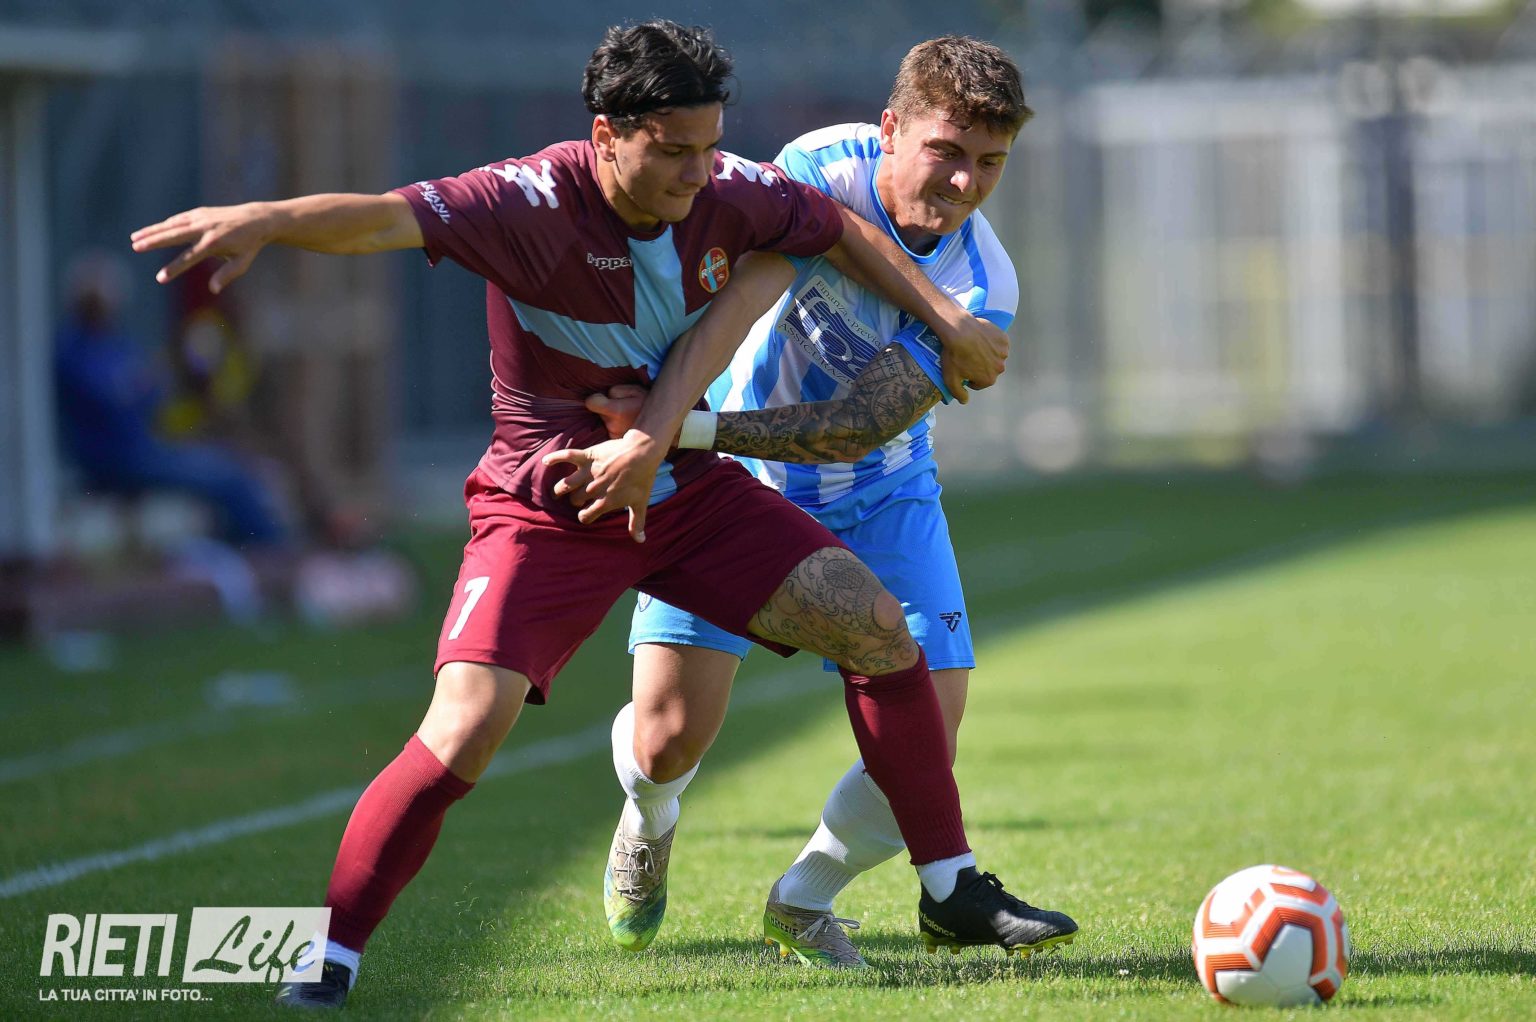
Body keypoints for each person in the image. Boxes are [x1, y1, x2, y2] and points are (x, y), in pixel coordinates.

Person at [131, 21, 1043, 1010]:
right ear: (607, 136)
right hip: (551, 502)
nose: (702, 173)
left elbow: (825, 233)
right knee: (473, 727)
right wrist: (271, 218)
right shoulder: (524, 200)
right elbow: (381, 219)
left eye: (711, 146)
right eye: (676, 151)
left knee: (878, 628)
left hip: (696, 488)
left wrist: (939, 321)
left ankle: (942, 885)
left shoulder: (741, 190)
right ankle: (326, 958)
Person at [580, 36, 1076, 969]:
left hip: (883, 492)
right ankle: (649, 816)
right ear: (889, 130)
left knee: (927, 736)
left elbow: (854, 428)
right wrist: (678, 427)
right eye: (946, 151)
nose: (964, 183)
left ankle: (803, 898)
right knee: (668, 737)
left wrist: (684, 430)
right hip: (736, 487)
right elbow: (754, 288)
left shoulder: (987, 284)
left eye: (990, 163)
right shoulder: (822, 164)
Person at [53, 252, 290, 549]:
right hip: (116, 459)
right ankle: (269, 552)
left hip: (147, 447)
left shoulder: (116, 342)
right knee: (226, 476)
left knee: (239, 466)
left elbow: (150, 394)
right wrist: (144, 382)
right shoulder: (73, 349)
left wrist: (165, 378)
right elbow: (116, 396)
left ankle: (255, 549)